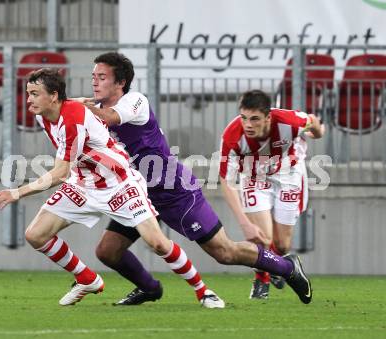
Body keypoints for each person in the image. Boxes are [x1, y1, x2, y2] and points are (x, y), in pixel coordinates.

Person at [73, 52, 313, 306]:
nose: (95, 83)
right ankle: (149, 288)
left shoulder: (135, 101)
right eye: (93, 77)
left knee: (224, 252)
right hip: (138, 193)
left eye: (102, 77)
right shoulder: (94, 111)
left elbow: (111, 117)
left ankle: (287, 268)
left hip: (173, 190)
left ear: (120, 82)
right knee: (108, 252)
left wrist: (71, 105)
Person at [0, 68, 226, 308]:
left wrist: (17, 192)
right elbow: (70, 113)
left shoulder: (72, 120)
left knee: (158, 243)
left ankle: (203, 291)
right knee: (35, 235)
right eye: (28, 93)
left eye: (34, 93)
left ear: (53, 96)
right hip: (84, 184)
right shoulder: (44, 114)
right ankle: (86, 279)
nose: (29, 99)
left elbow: (60, 173)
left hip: (119, 184)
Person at [219, 89, 324, 299]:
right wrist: (244, 223)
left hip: (289, 174)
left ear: (268, 117)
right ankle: (262, 280)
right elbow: (226, 181)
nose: (248, 124)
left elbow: (313, 121)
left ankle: (283, 263)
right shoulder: (232, 136)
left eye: (255, 119)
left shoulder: (288, 121)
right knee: (263, 238)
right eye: (244, 118)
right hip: (254, 177)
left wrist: (317, 133)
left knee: (282, 244)